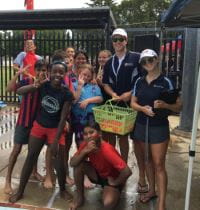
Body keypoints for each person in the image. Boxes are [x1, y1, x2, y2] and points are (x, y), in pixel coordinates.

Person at [9, 60, 74, 203]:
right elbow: (19, 91)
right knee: (30, 157)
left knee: (59, 163)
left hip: (55, 129)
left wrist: (56, 140)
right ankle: (20, 190)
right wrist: (34, 86)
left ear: (65, 74)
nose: (57, 74)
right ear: (50, 72)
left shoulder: (67, 93)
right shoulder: (43, 86)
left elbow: (63, 118)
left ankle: (62, 190)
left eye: (61, 72)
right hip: (39, 126)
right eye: (55, 71)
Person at [130, 49, 182, 210]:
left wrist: (165, 105)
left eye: (150, 59)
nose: (148, 63)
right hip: (140, 126)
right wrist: (142, 109)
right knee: (147, 162)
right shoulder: (139, 81)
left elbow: (179, 106)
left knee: (159, 164)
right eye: (144, 61)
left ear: (157, 59)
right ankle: (152, 190)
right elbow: (133, 103)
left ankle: (161, 203)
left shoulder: (167, 81)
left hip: (158, 127)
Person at [4, 60, 47, 195]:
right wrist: (18, 75)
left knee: (34, 150)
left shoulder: (47, 85)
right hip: (23, 122)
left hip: (37, 123)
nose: (41, 73)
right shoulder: (28, 81)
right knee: (16, 150)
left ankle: (34, 171)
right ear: (35, 70)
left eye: (44, 70)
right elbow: (10, 89)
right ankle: (8, 180)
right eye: (39, 70)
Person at [69, 122, 132, 210]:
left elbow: (127, 171)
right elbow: (72, 163)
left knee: (108, 204)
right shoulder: (86, 145)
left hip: (111, 178)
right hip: (99, 174)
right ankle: (80, 198)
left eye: (91, 132)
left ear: (99, 133)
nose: (88, 136)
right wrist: (84, 151)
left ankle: (116, 189)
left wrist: (116, 182)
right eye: (85, 134)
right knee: (79, 164)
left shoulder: (106, 150)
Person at [102, 28, 141, 163]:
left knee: (124, 136)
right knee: (112, 134)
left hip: (131, 104)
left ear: (126, 41)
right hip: (115, 103)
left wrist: (130, 93)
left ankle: (123, 163)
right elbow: (105, 83)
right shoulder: (109, 62)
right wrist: (112, 94)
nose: (118, 42)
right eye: (115, 39)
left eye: (121, 39)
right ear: (112, 42)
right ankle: (113, 162)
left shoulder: (136, 58)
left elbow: (143, 79)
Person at [72, 63, 103, 147]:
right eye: (84, 74)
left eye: (88, 76)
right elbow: (74, 101)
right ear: (79, 73)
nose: (86, 77)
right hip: (78, 119)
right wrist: (80, 86)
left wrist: (88, 101)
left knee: (93, 141)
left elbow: (100, 98)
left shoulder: (93, 86)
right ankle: (81, 157)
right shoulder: (73, 85)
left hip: (91, 119)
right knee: (80, 141)